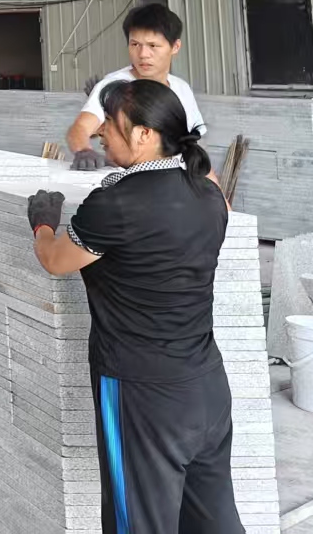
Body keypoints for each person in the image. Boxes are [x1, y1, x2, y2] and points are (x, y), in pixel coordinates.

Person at [29, 79, 240, 534]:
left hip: (142, 395)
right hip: (207, 387)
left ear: (144, 134)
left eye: (110, 122)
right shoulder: (209, 195)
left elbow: (55, 261)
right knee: (214, 523)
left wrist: (43, 224)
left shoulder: (117, 202)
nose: (100, 131)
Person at [67, 3, 203, 169]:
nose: (143, 54)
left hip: (176, 177)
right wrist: (83, 151)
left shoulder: (182, 89)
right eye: (135, 45)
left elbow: (193, 144)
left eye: (153, 46)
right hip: (131, 178)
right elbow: (81, 127)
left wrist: (207, 181)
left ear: (175, 46)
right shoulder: (114, 86)